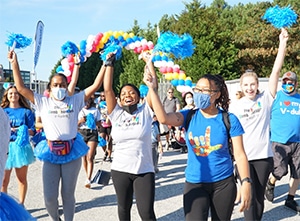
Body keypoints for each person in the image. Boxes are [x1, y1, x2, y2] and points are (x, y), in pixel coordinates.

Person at [8, 50, 106, 221]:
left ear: (66, 86)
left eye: (62, 85)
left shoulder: (74, 100)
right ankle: (55, 219)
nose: (59, 88)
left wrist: (106, 63)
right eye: (55, 85)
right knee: (50, 198)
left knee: (68, 194)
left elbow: (96, 85)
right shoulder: (43, 102)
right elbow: (22, 88)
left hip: (72, 150)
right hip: (50, 151)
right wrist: (14, 64)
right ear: (49, 87)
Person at [145, 69, 251, 220]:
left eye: (205, 90)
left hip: (223, 184)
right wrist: (152, 88)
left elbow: (240, 155)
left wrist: (246, 182)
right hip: (195, 183)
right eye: (197, 89)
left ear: (217, 94)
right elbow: (163, 119)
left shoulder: (229, 119)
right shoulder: (189, 116)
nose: (199, 94)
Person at [229, 28, 289, 220]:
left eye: (252, 84)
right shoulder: (236, 106)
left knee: (259, 199)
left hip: (263, 157)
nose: (249, 88)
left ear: (257, 85)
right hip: (243, 157)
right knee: (248, 196)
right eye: (246, 85)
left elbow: (276, 71)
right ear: (241, 87)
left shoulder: (266, 99)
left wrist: (283, 43)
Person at [103, 53, 157, 221]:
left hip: (144, 170)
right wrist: (109, 64)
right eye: (124, 93)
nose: (128, 95)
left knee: (146, 212)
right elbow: (107, 89)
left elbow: (153, 87)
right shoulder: (116, 113)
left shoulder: (145, 111)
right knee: (124, 209)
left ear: (138, 97)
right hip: (120, 170)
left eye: (132, 92)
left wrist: (149, 62)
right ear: (119, 98)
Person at [265, 71, 300, 213]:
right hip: (279, 142)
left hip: (297, 142)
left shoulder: (299, 98)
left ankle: (290, 199)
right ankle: (270, 182)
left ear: (296, 84)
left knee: (297, 172)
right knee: (281, 170)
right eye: (285, 82)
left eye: (290, 82)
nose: (287, 84)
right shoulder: (276, 97)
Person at [1, 84, 36, 205]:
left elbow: (33, 130)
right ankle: (4, 207)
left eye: (16, 93)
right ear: (7, 95)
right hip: (5, 146)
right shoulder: (3, 111)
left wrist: (22, 129)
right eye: (11, 93)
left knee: (21, 179)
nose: (13, 95)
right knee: (3, 181)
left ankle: (21, 205)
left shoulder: (26, 112)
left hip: (20, 147)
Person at [78, 94, 101, 189]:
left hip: (92, 133)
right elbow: (73, 125)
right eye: (84, 102)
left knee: (90, 157)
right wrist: (80, 121)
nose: (85, 104)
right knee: (83, 157)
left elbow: (100, 123)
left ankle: (88, 178)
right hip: (81, 132)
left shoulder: (95, 110)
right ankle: (87, 172)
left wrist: (92, 122)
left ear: (90, 102)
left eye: (87, 102)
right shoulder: (79, 111)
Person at [98, 91, 113, 162]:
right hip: (102, 123)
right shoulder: (98, 104)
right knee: (101, 139)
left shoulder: (110, 103)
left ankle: (109, 155)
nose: (103, 97)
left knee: (109, 140)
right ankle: (106, 151)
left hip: (110, 124)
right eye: (102, 96)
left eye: (104, 96)